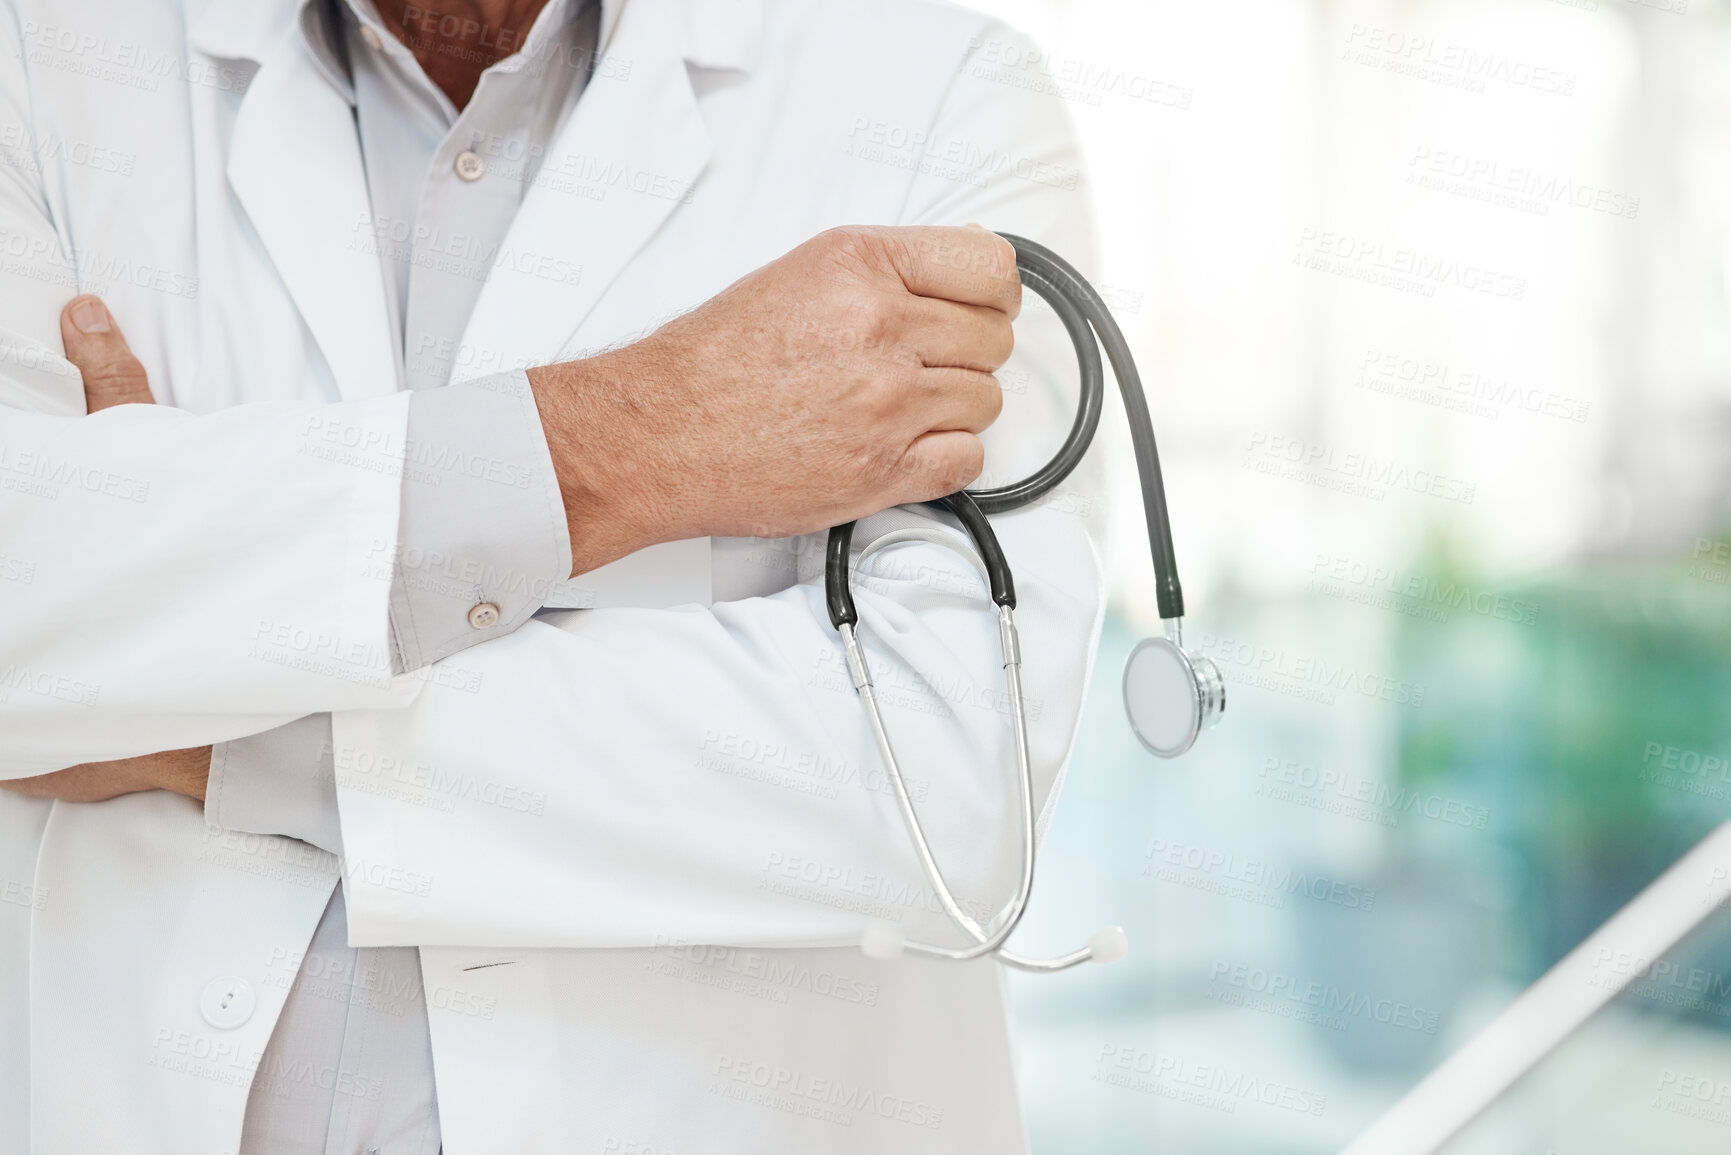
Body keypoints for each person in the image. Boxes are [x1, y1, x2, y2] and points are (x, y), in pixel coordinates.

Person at [0, 0, 1108, 1151]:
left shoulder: (939, 92)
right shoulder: (40, 55)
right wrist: (627, 439)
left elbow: (947, 784)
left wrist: (205, 718)